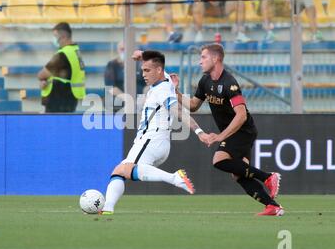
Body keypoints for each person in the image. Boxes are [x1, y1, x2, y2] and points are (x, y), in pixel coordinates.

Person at [172, 43, 284, 216]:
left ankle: (268, 177)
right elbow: (193, 106)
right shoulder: (205, 81)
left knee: (219, 160)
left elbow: (241, 116)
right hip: (234, 132)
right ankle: (272, 206)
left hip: (242, 131)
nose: (199, 62)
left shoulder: (229, 83)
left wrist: (220, 136)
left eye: (203, 57)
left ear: (216, 59)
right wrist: (176, 91)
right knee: (239, 174)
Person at [100, 50, 205, 215]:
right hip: (156, 142)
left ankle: (175, 178)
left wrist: (199, 131)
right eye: (142, 70)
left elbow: (178, 110)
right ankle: (107, 208)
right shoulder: (166, 81)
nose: (143, 74)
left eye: (147, 70)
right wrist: (143, 55)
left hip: (151, 140)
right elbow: (161, 66)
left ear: (158, 71)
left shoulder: (162, 90)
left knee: (123, 170)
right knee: (119, 172)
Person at [37, 22, 86, 113]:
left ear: (63, 37)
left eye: (55, 37)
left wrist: (43, 80)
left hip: (57, 102)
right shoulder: (76, 51)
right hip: (70, 100)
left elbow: (41, 74)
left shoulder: (63, 54)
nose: (54, 40)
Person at [104, 41, 147, 111]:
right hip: (120, 101)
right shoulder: (112, 65)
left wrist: (144, 96)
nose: (125, 52)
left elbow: (147, 85)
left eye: (127, 49)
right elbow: (111, 88)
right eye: (122, 49)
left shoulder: (140, 65)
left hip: (139, 101)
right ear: (118, 50)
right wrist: (128, 99)